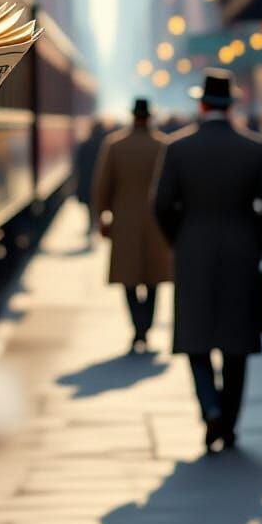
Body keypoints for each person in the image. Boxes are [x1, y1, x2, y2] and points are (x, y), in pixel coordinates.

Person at [153, 69, 262, 453]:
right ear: (231, 105)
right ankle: (228, 422)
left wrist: (179, 238)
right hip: (242, 252)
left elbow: (161, 204)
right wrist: (258, 241)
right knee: (236, 344)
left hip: (192, 250)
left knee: (195, 338)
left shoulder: (177, 148)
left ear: (202, 103)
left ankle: (209, 406)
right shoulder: (255, 149)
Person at [92, 98, 172, 352]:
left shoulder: (115, 145)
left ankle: (137, 328)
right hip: (156, 223)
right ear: (149, 117)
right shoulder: (163, 146)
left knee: (128, 279)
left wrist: (102, 217)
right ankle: (145, 329)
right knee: (153, 279)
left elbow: (103, 186)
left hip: (125, 221)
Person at [71, 119, 107, 238]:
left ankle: (92, 224)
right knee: (97, 203)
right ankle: (95, 224)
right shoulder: (105, 144)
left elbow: (78, 164)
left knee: (89, 204)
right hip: (100, 177)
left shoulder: (85, 144)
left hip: (87, 178)